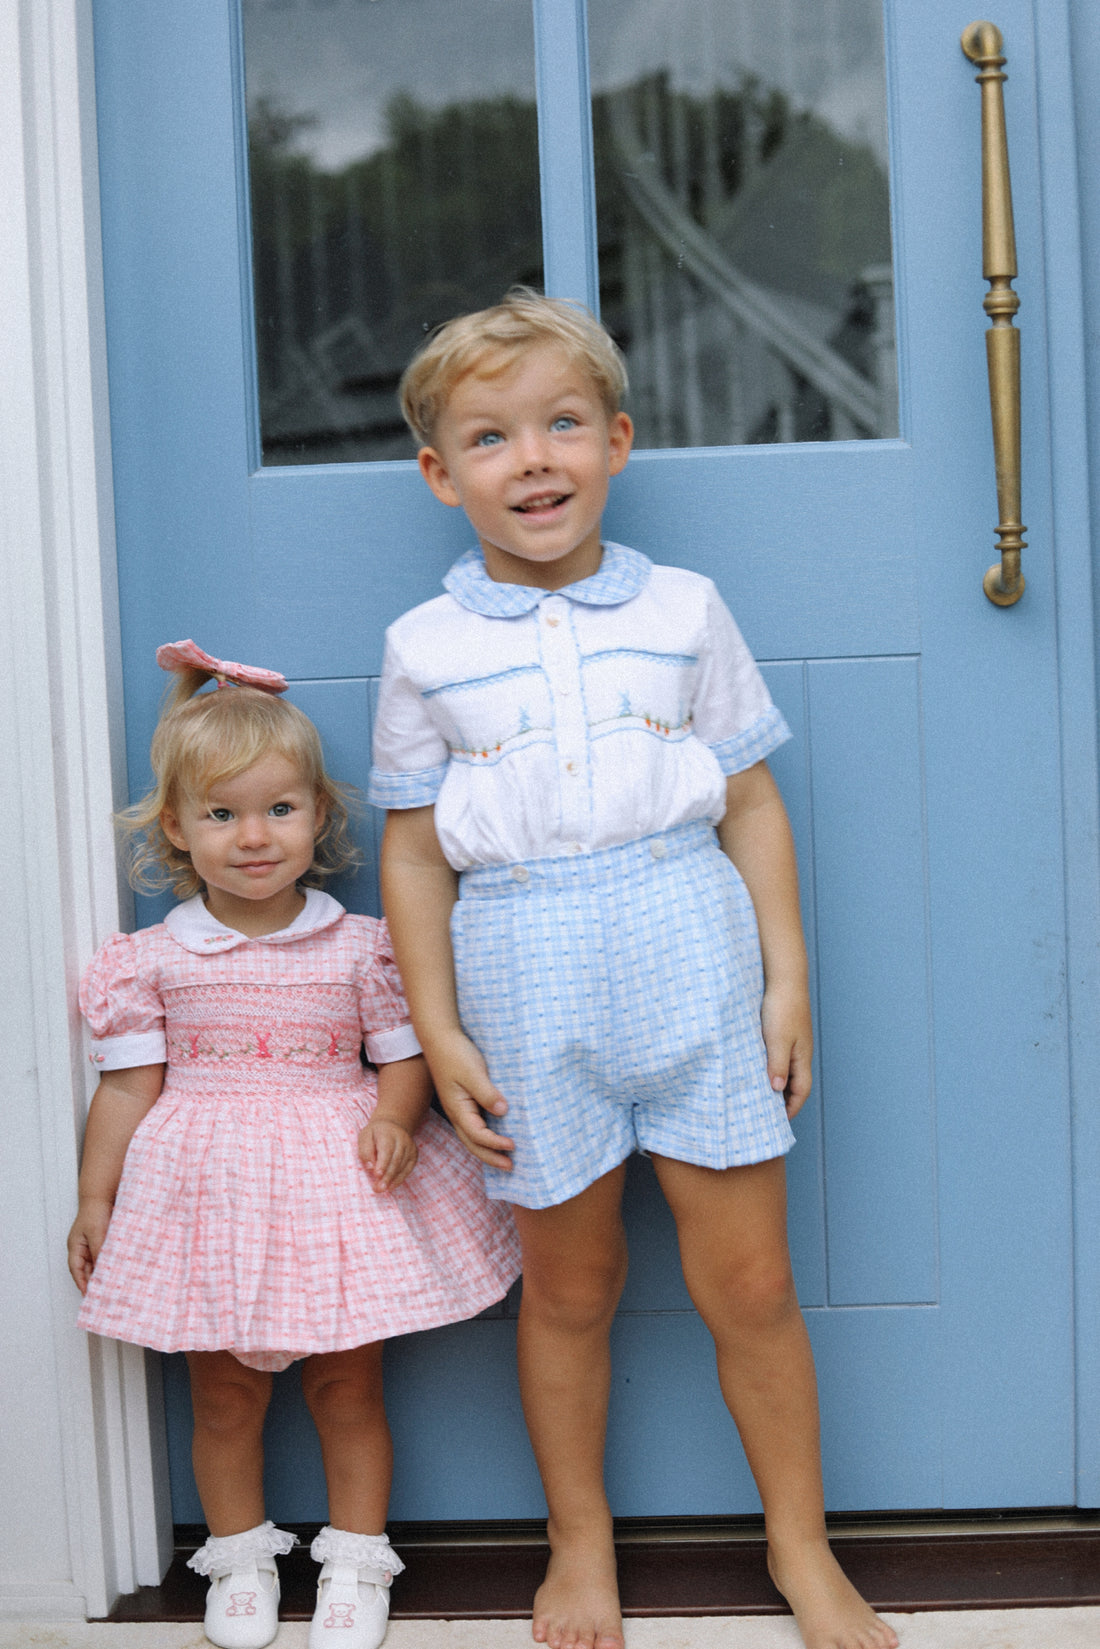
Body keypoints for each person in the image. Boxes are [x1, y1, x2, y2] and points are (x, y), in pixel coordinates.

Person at [369, 291, 900, 1649]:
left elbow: (753, 804)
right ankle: (581, 1541)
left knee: (754, 1288)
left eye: (560, 425)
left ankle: (801, 1548)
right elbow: (419, 858)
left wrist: (788, 983)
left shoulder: (682, 608)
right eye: (489, 437)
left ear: (616, 437)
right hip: (522, 969)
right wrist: (436, 1032)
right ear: (440, 474)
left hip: (690, 951)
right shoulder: (425, 648)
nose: (531, 458)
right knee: (569, 1287)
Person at [67, 640, 521, 1649]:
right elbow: (129, 1085)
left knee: (346, 1382)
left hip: (334, 1183)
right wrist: (97, 1196)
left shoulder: (361, 944)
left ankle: (355, 1557)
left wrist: (397, 1115)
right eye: (222, 814)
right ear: (178, 827)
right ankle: (238, 1556)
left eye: (278, 808)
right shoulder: (150, 959)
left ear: (318, 816)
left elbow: (403, 1052)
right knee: (223, 1391)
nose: (253, 836)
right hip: (208, 1192)